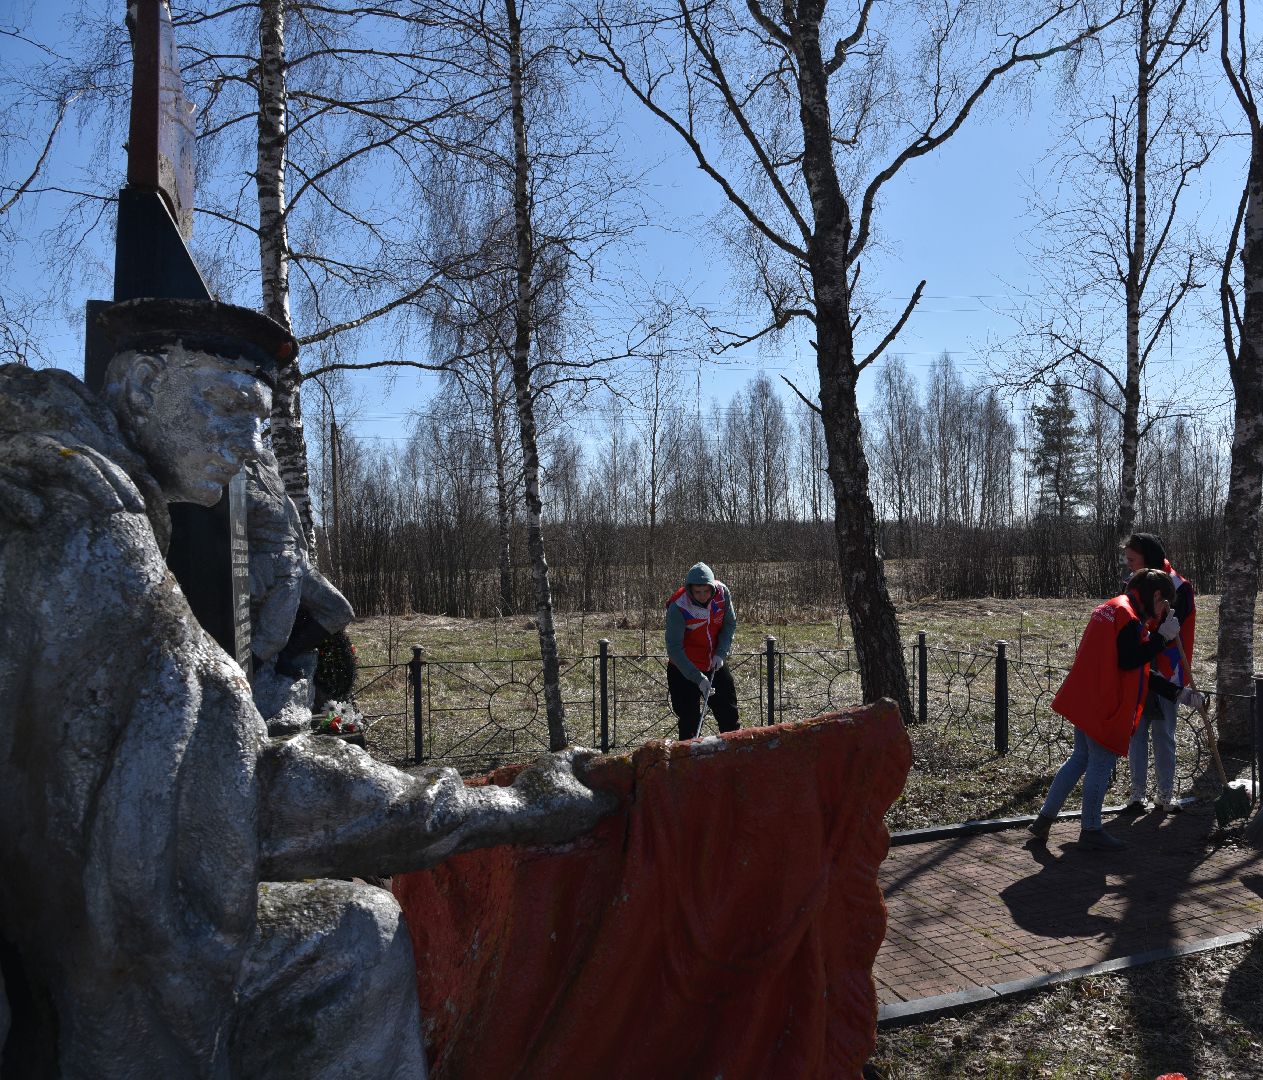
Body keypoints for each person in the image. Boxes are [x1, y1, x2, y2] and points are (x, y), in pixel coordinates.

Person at [0, 298, 615, 1078]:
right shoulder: (89, 523)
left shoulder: (55, 482)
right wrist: (512, 808)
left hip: (59, 941)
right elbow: (244, 787)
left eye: (259, 420)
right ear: (144, 387)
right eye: (225, 406)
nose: (245, 443)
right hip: (98, 986)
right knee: (358, 935)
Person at [1029, 568, 1180, 849]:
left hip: (1087, 695)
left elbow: (1134, 665)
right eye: (1161, 605)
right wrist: (1161, 640)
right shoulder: (1128, 616)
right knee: (1100, 762)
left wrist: (1177, 692)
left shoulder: (1110, 608)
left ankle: (1043, 820)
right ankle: (1091, 829)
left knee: (1080, 758)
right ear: (1156, 595)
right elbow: (1129, 660)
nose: (1159, 613)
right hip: (1104, 701)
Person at [1121, 533, 1200, 812]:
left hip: (1167, 670)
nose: (1127, 563)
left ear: (1147, 558)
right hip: (1138, 667)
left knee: (1163, 733)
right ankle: (1137, 794)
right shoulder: (1133, 583)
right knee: (1137, 732)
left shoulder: (1178, 586)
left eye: (1132, 559)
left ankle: (1165, 794)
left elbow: (1169, 626)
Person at [666, 562, 739, 739]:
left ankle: (732, 759)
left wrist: (721, 652)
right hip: (683, 669)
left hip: (714, 664)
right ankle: (689, 763)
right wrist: (698, 678)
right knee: (690, 723)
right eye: (697, 592)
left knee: (729, 718)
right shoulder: (678, 606)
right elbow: (674, 648)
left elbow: (729, 624)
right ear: (689, 589)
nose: (703, 596)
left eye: (706, 591)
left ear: (712, 587)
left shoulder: (722, 594)